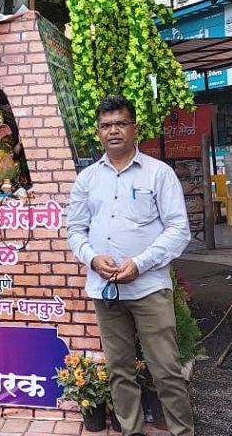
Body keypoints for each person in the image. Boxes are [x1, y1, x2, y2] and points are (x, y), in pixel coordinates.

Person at [66, 95, 193, 436]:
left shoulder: (158, 174)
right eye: (106, 125)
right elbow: (75, 230)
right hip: (105, 290)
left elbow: (179, 230)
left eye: (121, 123)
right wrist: (92, 257)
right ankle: (131, 431)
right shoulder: (87, 179)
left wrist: (139, 263)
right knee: (119, 370)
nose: (113, 131)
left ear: (135, 129)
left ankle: (183, 432)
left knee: (165, 370)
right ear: (98, 132)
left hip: (148, 287)